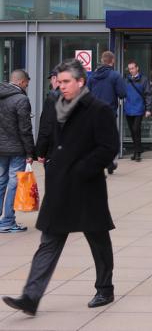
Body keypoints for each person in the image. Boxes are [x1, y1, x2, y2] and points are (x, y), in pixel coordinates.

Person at [2, 59, 119, 316]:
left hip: (86, 187)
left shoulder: (98, 110)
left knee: (98, 240)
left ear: (80, 82)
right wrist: (42, 153)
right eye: (59, 81)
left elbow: (109, 148)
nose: (61, 86)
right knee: (49, 242)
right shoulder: (56, 105)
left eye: (66, 82)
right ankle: (30, 297)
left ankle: (105, 288)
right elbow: (48, 133)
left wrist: (82, 168)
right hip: (60, 186)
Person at [0, 70, 34, 234]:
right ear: (21, 82)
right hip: (16, 148)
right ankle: (7, 221)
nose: (27, 85)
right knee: (14, 183)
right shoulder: (21, 99)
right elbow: (25, 129)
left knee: (1, 181)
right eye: (27, 82)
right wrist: (30, 152)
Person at [87, 51, 126, 174]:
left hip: (93, 112)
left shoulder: (92, 76)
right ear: (112, 61)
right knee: (108, 140)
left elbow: (86, 93)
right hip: (109, 112)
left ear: (102, 60)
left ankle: (101, 163)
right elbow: (122, 93)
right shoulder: (115, 76)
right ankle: (108, 163)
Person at [124, 60, 152, 162]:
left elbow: (148, 94)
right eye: (129, 69)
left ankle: (138, 152)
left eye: (132, 68)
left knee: (136, 129)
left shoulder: (144, 80)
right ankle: (137, 151)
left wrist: (148, 109)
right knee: (132, 131)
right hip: (128, 109)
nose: (131, 70)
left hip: (139, 108)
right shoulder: (126, 80)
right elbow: (123, 92)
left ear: (137, 68)